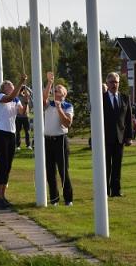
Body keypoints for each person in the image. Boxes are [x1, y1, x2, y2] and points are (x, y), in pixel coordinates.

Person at [0, 74, 27, 209]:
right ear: (4, 88)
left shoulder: (16, 99)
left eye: (13, 85)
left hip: (11, 134)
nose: (12, 86)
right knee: (2, 164)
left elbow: (23, 112)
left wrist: (25, 99)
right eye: (9, 85)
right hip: (0, 133)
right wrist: (20, 82)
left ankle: (3, 196)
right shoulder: (1, 97)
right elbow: (10, 97)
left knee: (8, 166)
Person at [43, 72, 74, 206]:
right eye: (54, 90)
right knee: (50, 172)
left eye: (58, 90)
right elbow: (43, 98)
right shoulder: (48, 104)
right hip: (48, 140)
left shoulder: (67, 106)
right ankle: (54, 199)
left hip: (60, 140)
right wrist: (50, 82)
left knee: (63, 171)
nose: (55, 91)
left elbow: (67, 123)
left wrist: (59, 108)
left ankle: (68, 199)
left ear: (64, 94)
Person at [103, 72, 132, 197]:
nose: (114, 84)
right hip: (105, 138)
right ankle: (105, 191)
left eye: (116, 82)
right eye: (111, 82)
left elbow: (128, 119)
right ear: (107, 84)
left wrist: (129, 136)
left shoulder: (125, 98)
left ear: (119, 83)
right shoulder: (101, 98)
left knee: (117, 165)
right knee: (106, 166)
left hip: (120, 138)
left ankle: (116, 191)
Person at [16, 86, 33, 151]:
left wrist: (26, 87)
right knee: (18, 131)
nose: (22, 91)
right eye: (21, 90)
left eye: (23, 90)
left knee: (27, 131)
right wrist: (21, 88)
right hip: (18, 116)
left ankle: (28, 145)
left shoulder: (27, 97)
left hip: (26, 116)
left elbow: (31, 93)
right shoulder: (17, 97)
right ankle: (18, 145)